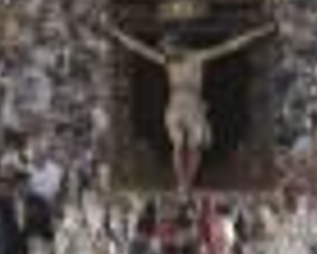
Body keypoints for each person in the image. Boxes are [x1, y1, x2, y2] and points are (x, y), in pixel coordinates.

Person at [102, 22, 277, 193]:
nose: (166, 50)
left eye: (168, 47)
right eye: (165, 48)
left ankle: (186, 182)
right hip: (178, 100)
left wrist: (258, 32)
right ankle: (182, 182)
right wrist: (116, 33)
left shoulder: (195, 57)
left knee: (193, 145)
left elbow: (230, 46)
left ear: (177, 46)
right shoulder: (168, 60)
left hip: (190, 101)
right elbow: (139, 48)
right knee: (179, 144)